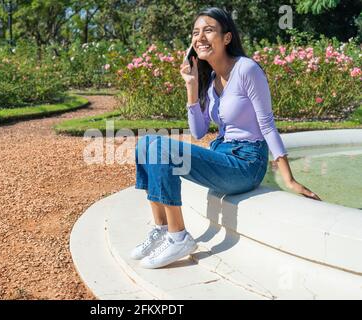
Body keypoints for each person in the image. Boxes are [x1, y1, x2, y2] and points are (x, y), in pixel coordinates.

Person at [131, 7, 321, 269]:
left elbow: (266, 124)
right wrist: (191, 85)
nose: (200, 37)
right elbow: (198, 131)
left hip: (246, 163)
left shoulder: (247, 70)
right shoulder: (209, 81)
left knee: (162, 148)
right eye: (196, 33)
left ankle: (179, 237)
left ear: (227, 38)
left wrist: (288, 179)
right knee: (145, 145)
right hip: (223, 154)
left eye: (208, 30)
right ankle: (163, 229)